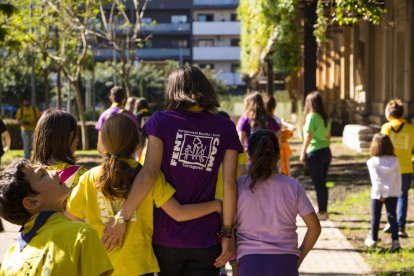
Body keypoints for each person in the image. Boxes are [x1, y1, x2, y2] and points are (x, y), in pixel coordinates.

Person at [102, 66, 243, 276]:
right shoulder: (225, 126)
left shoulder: (161, 121)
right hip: (206, 238)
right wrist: (228, 234)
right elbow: (230, 183)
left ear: (173, 90)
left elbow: (149, 172)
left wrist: (122, 217)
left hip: (164, 239)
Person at [66, 114, 222, 275]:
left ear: (103, 144)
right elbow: (179, 213)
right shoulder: (148, 176)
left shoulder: (89, 178)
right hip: (139, 267)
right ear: (136, 144)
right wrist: (216, 205)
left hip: (99, 266)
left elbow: (71, 218)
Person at [0, 159, 113, 275]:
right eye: (43, 174)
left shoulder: (11, 257)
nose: (56, 172)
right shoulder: (81, 234)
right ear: (32, 202)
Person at [236, 130, 320, 276]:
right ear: (278, 154)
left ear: (249, 155)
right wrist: (298, 258)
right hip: (285, 263)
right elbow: (314, 228)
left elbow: (228, 226)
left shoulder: (239, 186)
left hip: (249, 263)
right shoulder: (292, 185)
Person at [381, 99, 414, 238]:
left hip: (389, 168)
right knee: (403, 197)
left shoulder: (386, 128)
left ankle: (391, 222)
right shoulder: (411, 129)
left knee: (389, 196)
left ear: (389, 113)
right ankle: (401, 226)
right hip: (406, 168)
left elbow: (381, 148)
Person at [365, 133, 401, 252]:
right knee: (392, 216)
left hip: (378, 194)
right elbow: (397, 177)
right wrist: (397, 190)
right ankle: (395, 241)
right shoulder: (395, 160)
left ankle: (373, 239)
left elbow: (376, 179)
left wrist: (380, 193)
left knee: (376, 217)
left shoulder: (372, 162)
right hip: (393, 192)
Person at [31, 109, 86, 188]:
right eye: (75, 135)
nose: (77, 140)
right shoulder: (80, 175)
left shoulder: (29, 176)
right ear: (64, 138)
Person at [299, 91, 332, 220]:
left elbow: (308, 136)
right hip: (325, 151)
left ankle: (322, 212)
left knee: (318, 183)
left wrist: (303, 152)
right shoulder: (325, 117)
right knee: (322, 183)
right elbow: (329, 137)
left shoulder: (312, 117)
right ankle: (324, 210)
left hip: (315, 152)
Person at [263, 95, 296, 176]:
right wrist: (284, 123)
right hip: (278, 150)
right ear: (274, 107)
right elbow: (292, 128)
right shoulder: (277, 120)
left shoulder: (261, 120)